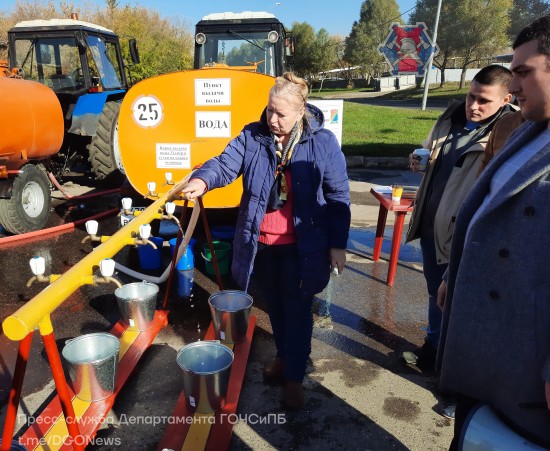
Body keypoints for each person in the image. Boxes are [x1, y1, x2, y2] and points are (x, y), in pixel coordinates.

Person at [182, 72, 351, 410]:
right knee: (275, 306)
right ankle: (284, 357)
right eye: (270, 110)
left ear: (301, 111)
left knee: (298, 311)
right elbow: (224, 165)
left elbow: (338, 196)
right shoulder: (252, 135)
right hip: (261, 245)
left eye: (281, 113)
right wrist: (203, 180)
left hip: (303, 248)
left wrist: (337, 244)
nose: (273, 119)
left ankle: (294, 377)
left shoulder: (323, 143)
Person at [437, 15, 550, 449]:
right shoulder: (531, 130)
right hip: (487, 344)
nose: (514, 86)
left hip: (528, 367)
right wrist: (455, 274)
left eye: (523, 72)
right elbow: (488, 212)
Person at [402, 65, 515, 371]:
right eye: (470, 96)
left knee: (459, 302)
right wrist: (420, 160)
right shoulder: (450, 118)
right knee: (434, 292)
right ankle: (433, 349)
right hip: (429, 225)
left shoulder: (508, 132)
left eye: (483, 101)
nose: (473, 106)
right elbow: (431, 152)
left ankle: (454, 370)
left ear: (505, 100)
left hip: (462, 234)